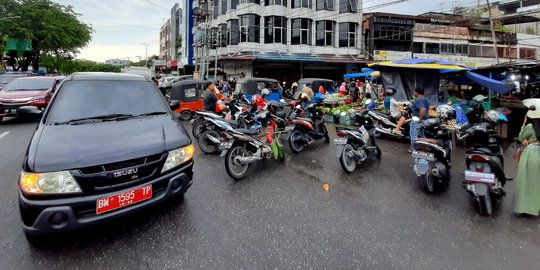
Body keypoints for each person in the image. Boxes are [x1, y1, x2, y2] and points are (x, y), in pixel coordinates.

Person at [514, 101, 540, 217]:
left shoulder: (531, 126)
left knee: (526, 181)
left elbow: (521, 137)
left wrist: (524, 123)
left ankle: (526, 207)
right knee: (536, 182)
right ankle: (536, 208)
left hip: (531, 154)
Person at [409, 87, 430, 151]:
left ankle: (413, 149)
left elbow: (422, 109)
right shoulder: (426, 100)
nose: (413, 93)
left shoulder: (419, 99)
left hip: (418, 120)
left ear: (416, 92)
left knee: (414, 135)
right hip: (425, 120)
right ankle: (425, 147)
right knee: (421, 135)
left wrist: (419, 118)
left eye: (414, 92)